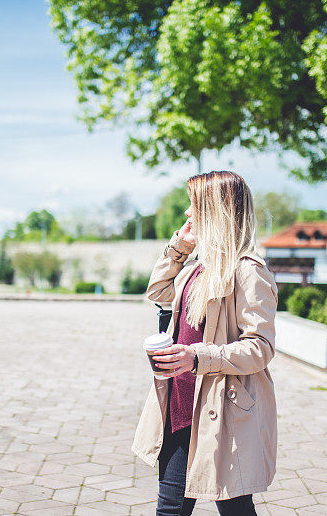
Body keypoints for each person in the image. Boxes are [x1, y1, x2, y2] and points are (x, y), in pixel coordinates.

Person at [132, 171, 279, 516]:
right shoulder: (196, 267)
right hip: (179, 404)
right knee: (170, 507)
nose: (186, 213)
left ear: (216, 211)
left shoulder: (248, 270)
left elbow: (260, 347)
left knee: (235, 508)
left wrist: (196, 357)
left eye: (194, 205)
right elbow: (157, 291)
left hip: (221, 410)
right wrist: (180, 246)